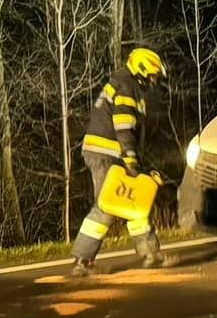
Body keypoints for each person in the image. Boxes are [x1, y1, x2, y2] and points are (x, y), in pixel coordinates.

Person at [70, 47, 167, 278]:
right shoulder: (127, 87)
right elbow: (123, 125)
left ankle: (150, 254)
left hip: (110, 153)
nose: (153, 81)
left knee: (135, 202)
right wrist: (130, 158)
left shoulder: (123, 83)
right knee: (106, 207)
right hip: (107, 153)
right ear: (142, 70)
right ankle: (82, 261)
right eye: (153, 76)